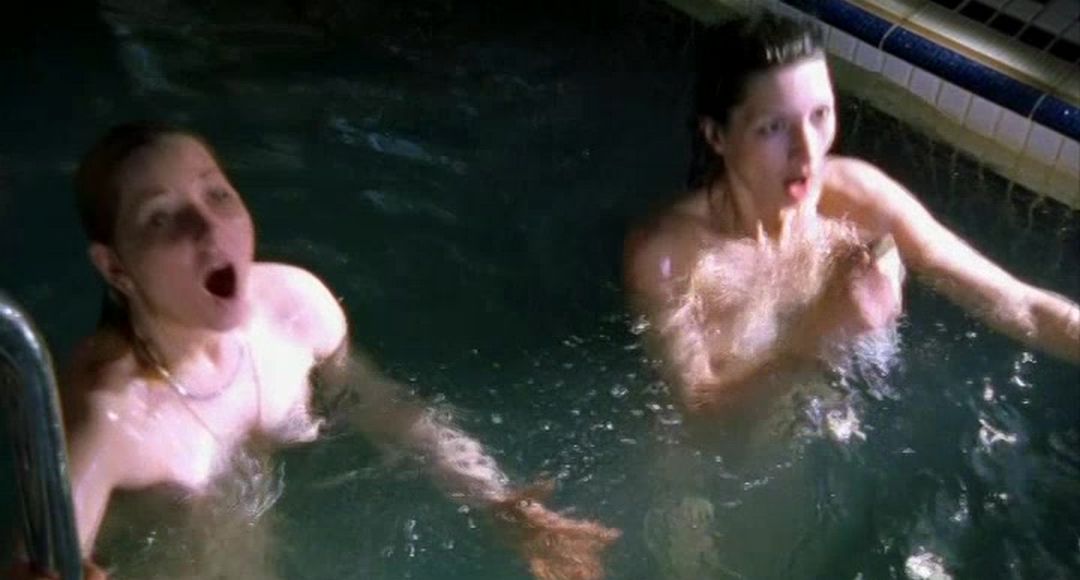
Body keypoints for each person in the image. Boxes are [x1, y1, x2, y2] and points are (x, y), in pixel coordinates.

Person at [13, 121, 618, 579]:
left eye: (215, 195)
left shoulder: (295, 309)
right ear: (115, 269)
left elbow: (384, 407)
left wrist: (499, 502)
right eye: (161, 218)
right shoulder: (109, 420)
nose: (209, 228)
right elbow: (31, 566)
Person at [624, 12, 1079, 420]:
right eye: (774, 127)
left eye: (819, 115)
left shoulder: (859, 199)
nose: (808, 151)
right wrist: (827, 332)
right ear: (717, 136)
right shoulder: (669, 259)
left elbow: (1021, 305)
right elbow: (701, 420)